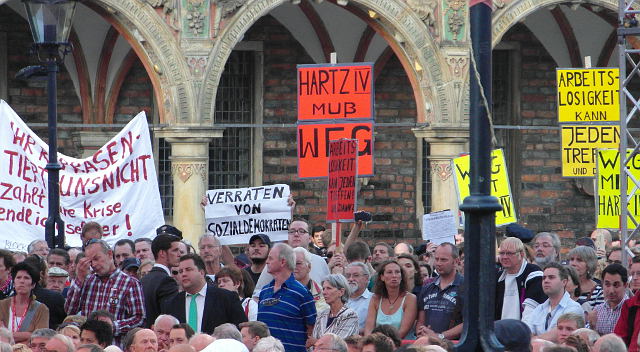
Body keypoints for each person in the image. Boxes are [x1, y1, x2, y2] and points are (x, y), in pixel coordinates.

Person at [65, 239, 145, 345]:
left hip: (114, 346)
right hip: (88, 347)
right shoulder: (87, 281)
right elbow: (70, 311)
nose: (93, 264)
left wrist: (114, 326)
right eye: (90, 261)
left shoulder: (130, 283)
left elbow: (139, 318)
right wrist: (79, 278)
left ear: (109, 254)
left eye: (97, 259)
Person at [163, 253, 247, 334]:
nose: (183, 274)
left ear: (202, 272)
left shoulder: (226, 298)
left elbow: (241, 329)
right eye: (180, 271)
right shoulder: (172, 304)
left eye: (188, 270)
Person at [257, 243, 316, 352]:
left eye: (270, 258)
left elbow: (312, 328)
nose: (266, 261)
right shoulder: (264, 291)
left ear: (283, 262)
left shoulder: (302, 293)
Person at [253, 218, 330, 296]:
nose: (296, 234)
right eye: (292, 231)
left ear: (310, 238)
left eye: (301, 231)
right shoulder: (275, 261)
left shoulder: (320, 262)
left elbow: (329, 290)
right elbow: (258, 294)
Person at [416, 242, 463, 341]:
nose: (438, 263)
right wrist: (421, 333)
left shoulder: (467, 287)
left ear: (456, 261)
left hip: (453, 346)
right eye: (436, 259)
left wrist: (439, 336)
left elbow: (470, 322)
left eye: (443, 260)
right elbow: (420, 320)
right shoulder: (427, 287)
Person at [522, 262, 583, 337]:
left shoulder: (574, 308)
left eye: (551, 277)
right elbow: (526, 334)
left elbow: (556, 336)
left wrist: (533, 340)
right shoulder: (539, 309)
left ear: (564, 282)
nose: (546, 281)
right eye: (544, 278)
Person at [495, 237, 546, 321]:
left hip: (523, 330)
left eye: (509, 253)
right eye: (502, 253)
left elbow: (532, 310)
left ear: (521, 254)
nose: (504, 257)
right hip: (500, 330)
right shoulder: (498, 277)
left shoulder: (533, 273)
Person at [364, 260, 417, 339]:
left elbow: (402, 332)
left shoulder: (410, 299)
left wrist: (384, 345)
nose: (394, 275)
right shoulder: (376, 299)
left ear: (401, 276)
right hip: (379, 345)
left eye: (397, 272)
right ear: (382, 277)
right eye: (389, 272)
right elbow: (368, 329)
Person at [0, 262, 48, 343]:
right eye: (18, 277)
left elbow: (41, 336)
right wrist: (29, 334)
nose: (22, 281)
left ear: (33, 285)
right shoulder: (2, 305)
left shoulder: (42, 309)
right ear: (14, 282)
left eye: (26, 278)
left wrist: (7, 334)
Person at [141, 234, 182, 328]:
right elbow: (170, 316)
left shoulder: (144, 280)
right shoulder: (166, 281)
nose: (179, 254)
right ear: (162, 253)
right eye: (175, 250)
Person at [311, 274, 359, 341]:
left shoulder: (350, 315)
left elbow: (338, 344)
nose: (324, 292)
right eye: (323, 288)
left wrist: (315, 342)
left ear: (341, 292)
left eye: (329, 288)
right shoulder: (321, 315)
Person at [590, 264, 629, 335]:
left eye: (616, 285)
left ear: (625, 285)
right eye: (607, 284)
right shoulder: (597, 311)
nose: (611, 291)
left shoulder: (632, 310)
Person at [568, 246, 604, 310]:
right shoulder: (562, 287)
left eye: (579, 260)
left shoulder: (599, 292)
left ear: (589, 264)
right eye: (572, 259)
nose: (573, 263)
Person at [293, 247, 327, 312]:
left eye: (298, 263)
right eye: (291, 263)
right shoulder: (281, 291)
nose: (294, 267)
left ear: (309, 267)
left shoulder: (322, 293)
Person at [345, 262, 373, 333]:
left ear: (366, 278)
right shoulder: (340, 299)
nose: (351, 279)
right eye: (348, 276)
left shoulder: (373, 299)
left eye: (356, 275)